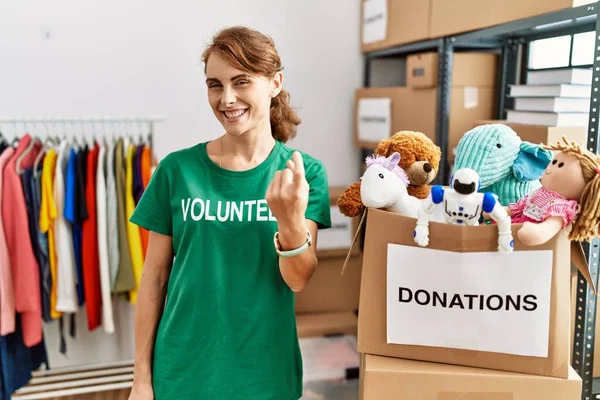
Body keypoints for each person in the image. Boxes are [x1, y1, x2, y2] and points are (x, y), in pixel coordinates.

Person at [127, 25, 332, 400]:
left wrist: (288, 221)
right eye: (215, 85)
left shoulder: (302, 174)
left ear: (274, 83)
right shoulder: (177, 170)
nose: (227, 98)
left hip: (265, 373)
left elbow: (298, 279)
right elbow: (154, 278)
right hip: (181, 372)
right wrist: (142, 378)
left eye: (241, 81)